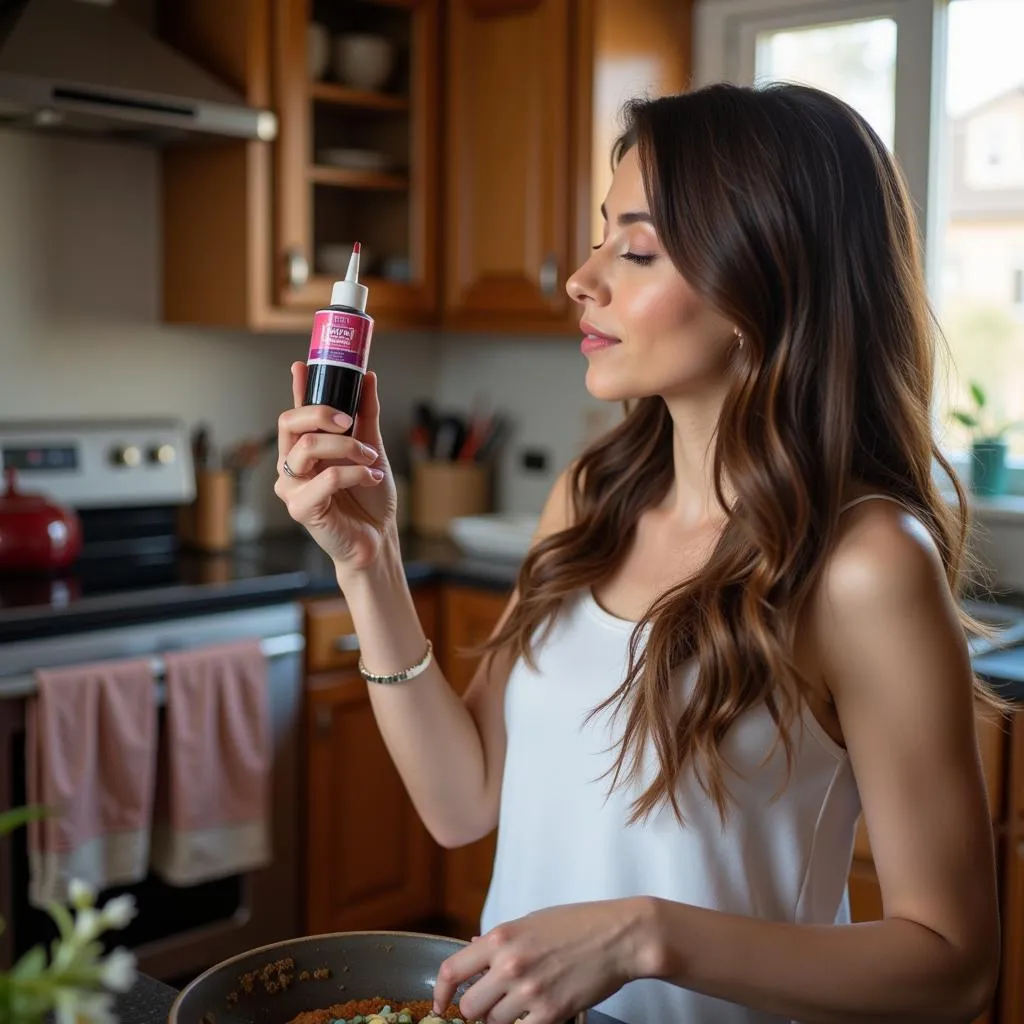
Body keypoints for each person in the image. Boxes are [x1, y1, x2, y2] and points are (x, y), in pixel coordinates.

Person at [274, 82, 1001, 1024]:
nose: (583, 278)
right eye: (599, 236)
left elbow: (953, 963)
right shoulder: (594, 495)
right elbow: (462, 802)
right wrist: (367, 559)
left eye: (639, 248)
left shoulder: (864, 565)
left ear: (765, 282)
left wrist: (645, 936)